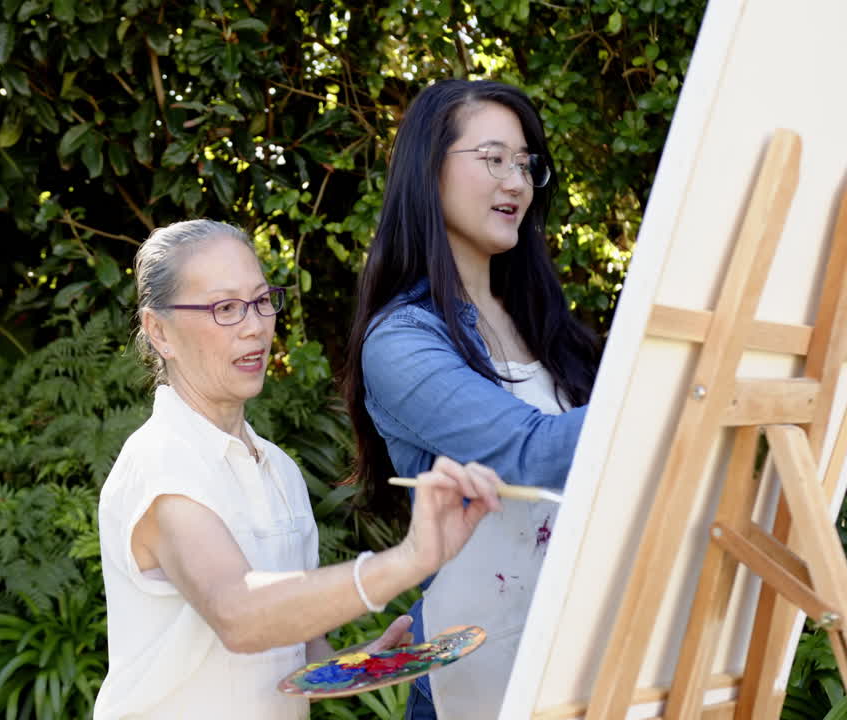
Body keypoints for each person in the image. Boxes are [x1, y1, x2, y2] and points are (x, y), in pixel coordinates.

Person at [94, 218, 506, 720]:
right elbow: (239, 615)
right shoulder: (160, 461)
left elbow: (297, 651)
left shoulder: (280, 470)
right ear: (160, 331)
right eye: (225, 308)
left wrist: (359, 665)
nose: (255, 325)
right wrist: (411, 558)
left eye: (263, 300)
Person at [343, 80, 602, 719]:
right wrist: (670, 395)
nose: (515, 180)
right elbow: (529, 453)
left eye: (525, 164)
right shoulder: (402, 340)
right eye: (492, 159)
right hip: (476, 682)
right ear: (429, 172)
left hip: (581, 657)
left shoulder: (544, 324)